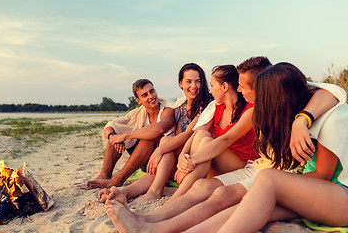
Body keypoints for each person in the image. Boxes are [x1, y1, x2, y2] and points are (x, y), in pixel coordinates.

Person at [102, 57, 342, 233]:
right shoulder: (280, 113)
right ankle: (151, 225)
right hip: (277, 176)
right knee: (217, 193)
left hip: (315, 188)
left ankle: (154, 226)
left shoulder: (320, 118)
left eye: (244, 86)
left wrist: (303, 120)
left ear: (271, 95)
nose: (239, 89)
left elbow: (332, 92)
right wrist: (189, 158)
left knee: (246, 190)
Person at [210, 62, 348, 233]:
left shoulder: (329, 119)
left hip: (341, 193)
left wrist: (267, 188)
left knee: (267, 179)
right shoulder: (305, 114)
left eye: (265, 99)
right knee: (248, 208)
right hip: (319, 193)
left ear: (279, 99)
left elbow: (323, 175)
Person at [98, 63, 211, 203]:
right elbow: (112, 125)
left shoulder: (204, 105)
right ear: (181, 83)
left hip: (197, 156)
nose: (193, 86)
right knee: (159, 164)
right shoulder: (180, 107)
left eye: (198, 81)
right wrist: (114, 136)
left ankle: (154, 192)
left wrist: (159, 151)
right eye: (188, 81)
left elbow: (186, 134)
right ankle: (124, 192)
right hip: (179, 156)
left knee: (164, 142)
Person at [165, 64, 259, 204]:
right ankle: (181, 194)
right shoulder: (217, 108)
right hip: (216, 166)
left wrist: (192, 160)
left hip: (241, 166)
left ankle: (175, 198)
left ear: (225, 87)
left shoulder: (249, 110)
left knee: (207, 142)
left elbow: (226, 140)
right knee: (203, 134)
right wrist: (182, 158)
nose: (210, 91)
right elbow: (196, 133)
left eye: (213, 85)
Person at [84, 79, 175, 189]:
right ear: (138, 100)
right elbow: (111, 125)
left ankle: (117, 180)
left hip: (163, 161)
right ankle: (104, 175)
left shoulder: (168, 110)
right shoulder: (138, 113)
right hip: (145, 161)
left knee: (148, 138)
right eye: (145, 95)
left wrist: (125, 136)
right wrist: (113, 136)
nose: (151, 96)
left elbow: (159, 129)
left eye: (152, 91)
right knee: (116, 133)